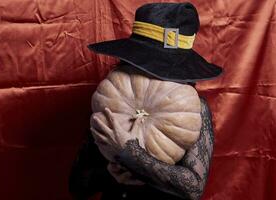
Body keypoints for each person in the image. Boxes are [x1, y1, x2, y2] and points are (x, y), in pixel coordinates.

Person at [69, 2, 223, 200]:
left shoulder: (195, 108)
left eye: (162, 65)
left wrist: (129, 153)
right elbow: (77, 185)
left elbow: (193, 187)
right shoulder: (111, 99)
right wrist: (110, 174)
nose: (153, 72)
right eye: (148, 61)